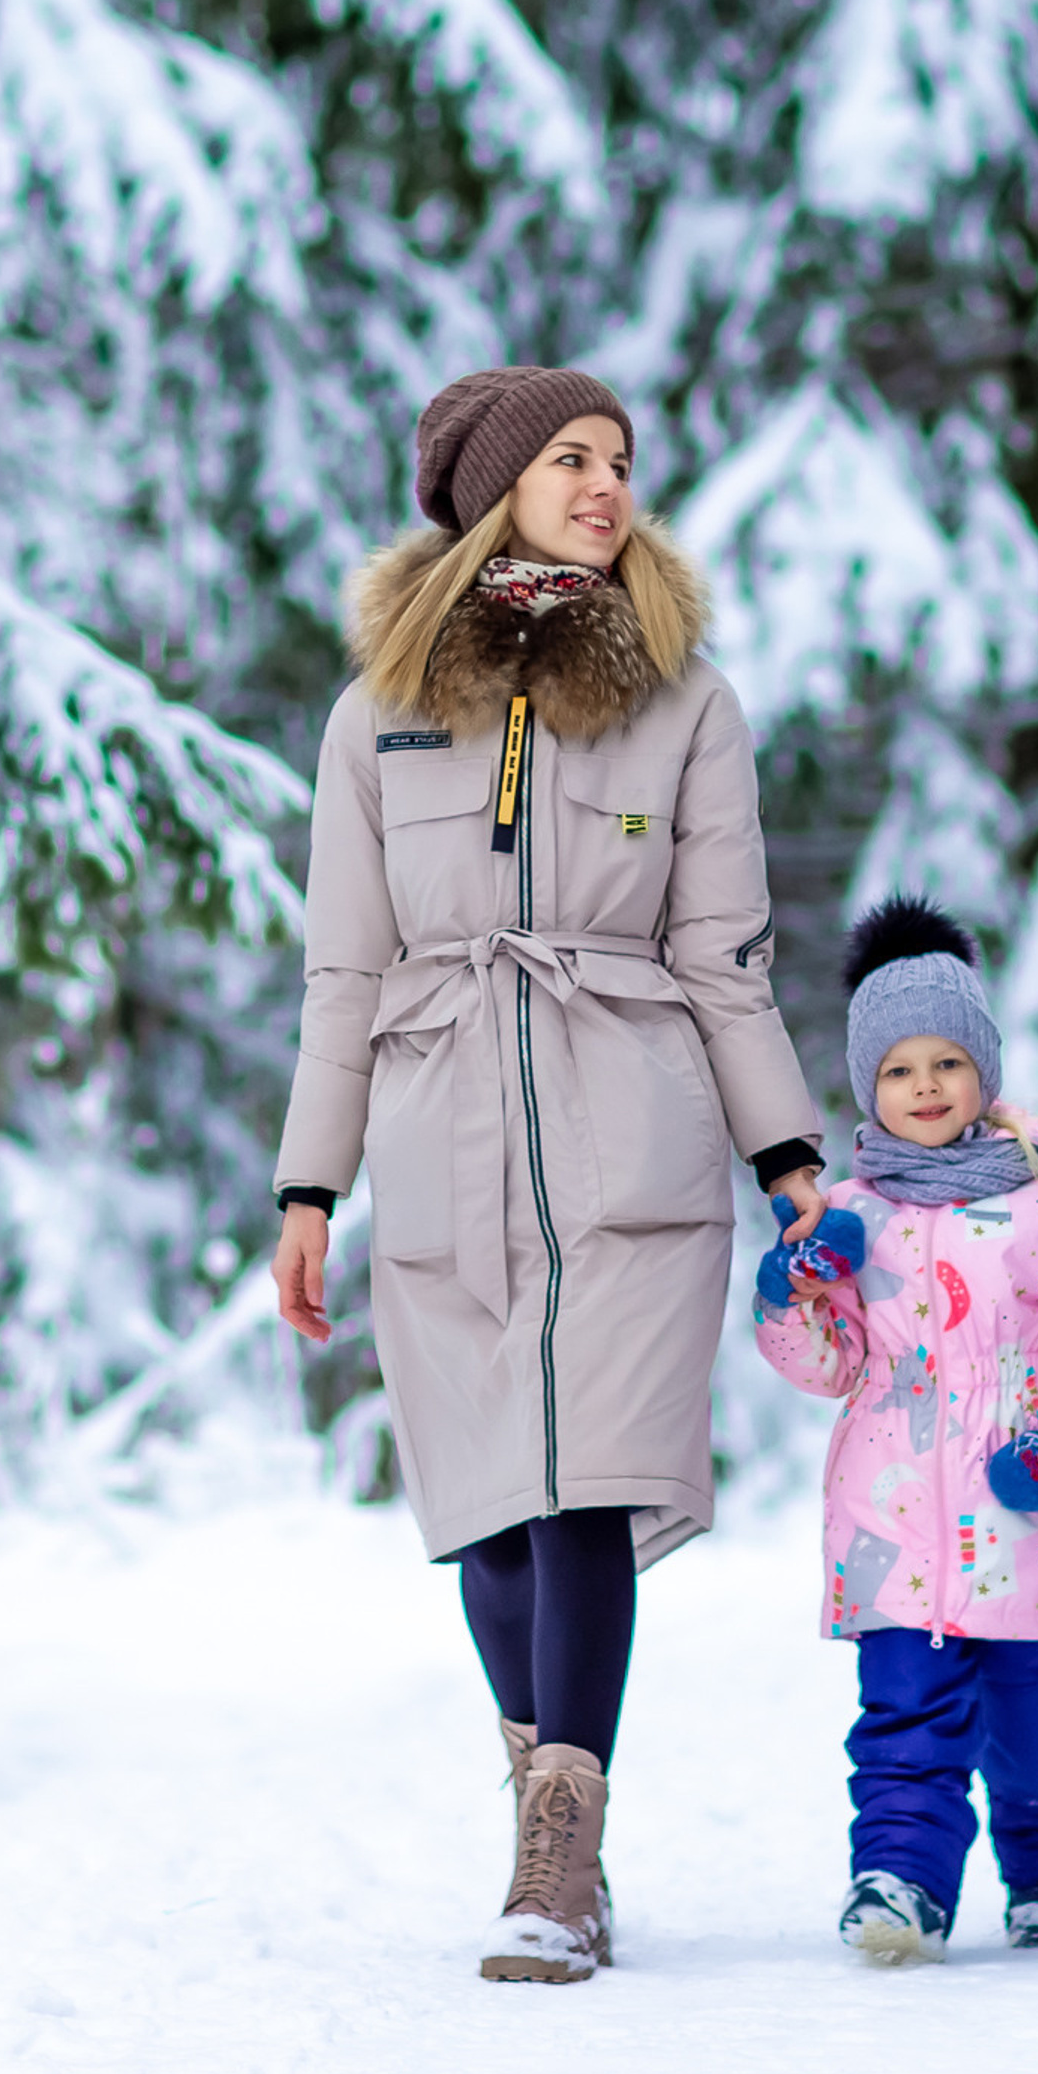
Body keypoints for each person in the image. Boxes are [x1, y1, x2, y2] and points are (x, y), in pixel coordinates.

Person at [269, 366, 826, 1986]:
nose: (605, 483)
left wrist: (788, 1154)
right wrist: (309, 1190)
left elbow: (726, 957)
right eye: (570, 459)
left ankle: (558, 1858)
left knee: (585, 1487)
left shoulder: (683, 696)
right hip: (440, 1140)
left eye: (622, 460)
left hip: (631, 1132)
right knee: (490, 1521)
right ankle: (537, 1793)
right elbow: (342, 976)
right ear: (489, 488)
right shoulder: (376, 709)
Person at [752, 896, 1038, 1965]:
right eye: (897, 1069)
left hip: (1027, 1522)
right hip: (891, 1528)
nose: (923, 1086)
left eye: (945, 1063)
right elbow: (828, 1366)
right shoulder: (851, 1215)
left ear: (983, 1073)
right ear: (866, 1087)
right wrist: (792, 1292)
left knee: (1036, 1733)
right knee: (901, 1724)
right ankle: (900, 1883)